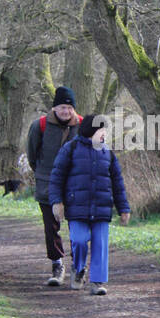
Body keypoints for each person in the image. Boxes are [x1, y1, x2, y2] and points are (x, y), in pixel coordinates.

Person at [48, 114, 131, 296]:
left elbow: (118, 183)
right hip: (77, 207)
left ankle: (97, 281)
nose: (104, 134)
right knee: (78, 241)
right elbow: (56, 177)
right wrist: (57, 202)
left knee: (100, 245)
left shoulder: (107, 153)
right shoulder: (70, 149)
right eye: (102, 130)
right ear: (91, 131)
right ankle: (78, 269)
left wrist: (123, 208)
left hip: (102, 208)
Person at [26, 86, 80, 286]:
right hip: (46, 184)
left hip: (76, 186)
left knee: (78, 227)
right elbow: (32, 156)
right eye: (62, 107)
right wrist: (43, 174)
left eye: (69, 107)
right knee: (51, 228)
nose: (66, 111)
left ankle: (78, 265)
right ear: (54, 108)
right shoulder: (39, 125)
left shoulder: (83, 126)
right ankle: (57, 265)